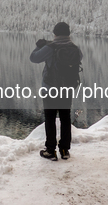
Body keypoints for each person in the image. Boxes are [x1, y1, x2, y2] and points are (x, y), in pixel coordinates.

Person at [30, 22, 82, 161]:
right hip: (67, 89)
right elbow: (79, 59)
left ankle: (50, 151)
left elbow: (33, 58)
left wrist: (39, 46)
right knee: (65, 118)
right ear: (68, 34)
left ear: (55, 34)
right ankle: (64, 150)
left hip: (50, 88)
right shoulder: (74, 48)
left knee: (50, 118)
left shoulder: (49, 48)